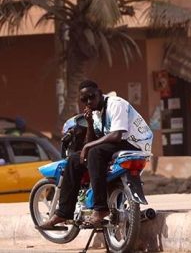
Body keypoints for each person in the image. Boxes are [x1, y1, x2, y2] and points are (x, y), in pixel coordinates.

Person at [39, 80, 153, 229]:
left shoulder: (115, 104)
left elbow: (117, 135)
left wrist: (87, 146)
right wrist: (90, 124)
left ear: (100, 93)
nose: (88, 101)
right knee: (74, 160)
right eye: (84, 100)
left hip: (136, 143)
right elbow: (96, 140)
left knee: (94, 152)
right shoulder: (96, 113)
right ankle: (63, 213)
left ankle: (100, 209)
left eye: (91, 97)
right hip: (118, 145)